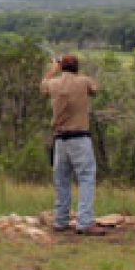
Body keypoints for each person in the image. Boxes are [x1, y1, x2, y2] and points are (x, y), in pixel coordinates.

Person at [40, 54, 107, 236]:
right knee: (86, 178)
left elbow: (43, 86)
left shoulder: (53, 84)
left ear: (62, 67)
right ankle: (84, 222)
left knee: (62, 180)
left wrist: (53, 69)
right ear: (76, 68)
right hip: (80, 138)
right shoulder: (83, 81)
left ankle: (61, 220)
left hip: (60, 139)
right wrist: (77, 74)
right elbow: (95, 89)